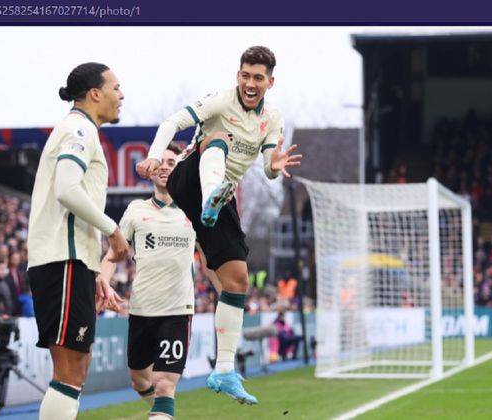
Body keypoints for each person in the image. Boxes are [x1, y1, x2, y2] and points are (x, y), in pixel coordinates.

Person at [136, 46, 302, 405]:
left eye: (258, 77)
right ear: (237, 76)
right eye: (245, 75)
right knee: (218, 138)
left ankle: (224, 369)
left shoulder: (272, 117)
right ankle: (212, 198)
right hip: (188, 177)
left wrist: (275, 164)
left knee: (237, 280)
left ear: (270, 82)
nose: (250, 82)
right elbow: (173, 122)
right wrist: (153, 154)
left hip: (221, 198)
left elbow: (271, 171)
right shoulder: (220, 101)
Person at [26, 62, 128, 420]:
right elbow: (67, 189)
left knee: (76, 368)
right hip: (62, 261)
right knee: (69, 370)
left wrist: (95, 271)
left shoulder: (78, 130)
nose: (122, 95)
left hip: (70, 261)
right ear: (95, 93)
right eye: (116, 88)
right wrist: (113, 231)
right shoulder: (79, 130)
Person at [99, 144, 194, 420]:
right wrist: (103, 281)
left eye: (172, 162)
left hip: (177, 311)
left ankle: (163, 410)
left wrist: (228, 297)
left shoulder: (192, 210)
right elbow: (113, 254)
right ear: (151, 169)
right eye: (161, 161)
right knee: (140, 380)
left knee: (165, 385)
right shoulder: (136, 210)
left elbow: (211, 261)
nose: (165, 166)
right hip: (141, 311)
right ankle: (162, 413)